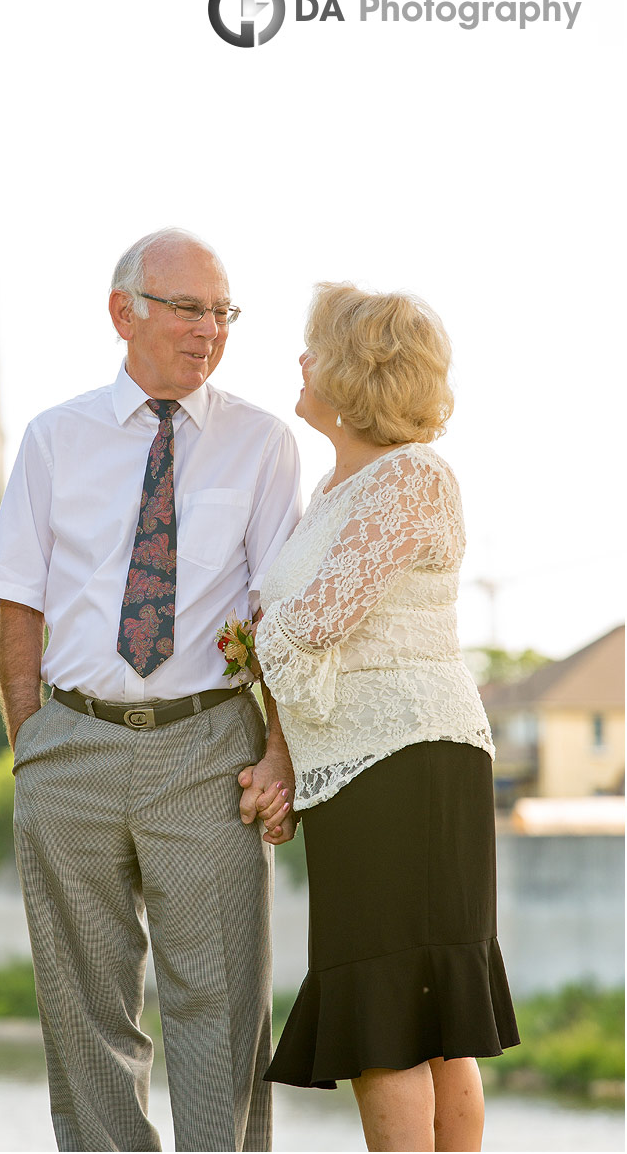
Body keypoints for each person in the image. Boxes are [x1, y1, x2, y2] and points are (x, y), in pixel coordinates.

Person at [0, 228, 302, 1153]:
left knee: (222, 1009)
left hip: (208, 748)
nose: (210, 331)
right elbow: (19, 605)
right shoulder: (53, 440)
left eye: (222, 312)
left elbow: (279, 617)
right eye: (188, 308)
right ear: (125, 313)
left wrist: (279, 749)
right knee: (84, 1015)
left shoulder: (262, 445)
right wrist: (29, 747)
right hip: (69, 745)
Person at [253, 282, 520, 1153]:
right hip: (359, 770)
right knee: (408, 1014)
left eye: (313, 349)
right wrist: (283, 755)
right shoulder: (332, 490)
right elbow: (301, 643)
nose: (298, 362)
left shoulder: (409, 477)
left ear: (353, 371)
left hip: (409, 761)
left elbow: (313, 624)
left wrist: (244, 640)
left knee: (398, 1020)